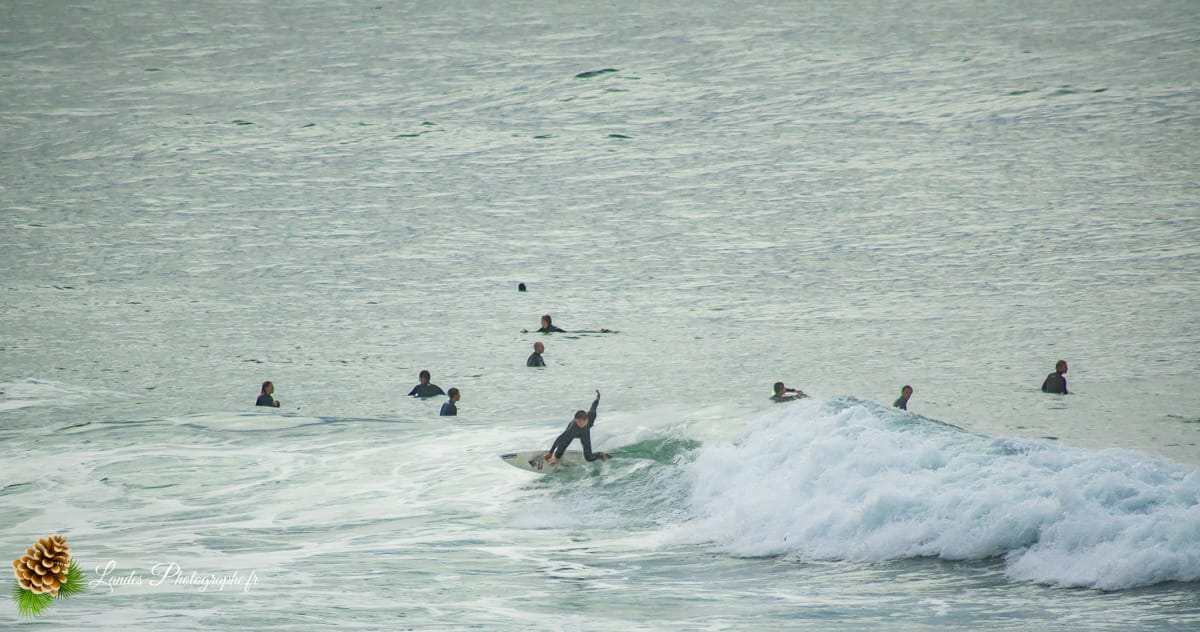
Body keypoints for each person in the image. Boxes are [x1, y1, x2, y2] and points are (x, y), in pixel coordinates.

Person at [545, 390, 610, 464]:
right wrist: (551, 452)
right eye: (577, 421)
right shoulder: (573, 427)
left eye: (580, 422)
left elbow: (594, 405)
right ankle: (555, 458)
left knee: (589, 458)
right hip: (572, 433)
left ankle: (600, 455)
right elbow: (560, 438)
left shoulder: (592, 415)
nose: (578, 424)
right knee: (560, 450)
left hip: (584, 433)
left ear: (586, 420)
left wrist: (598, 397)